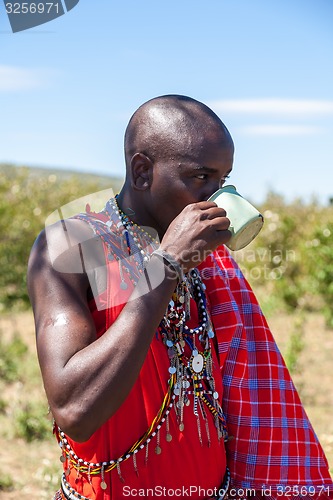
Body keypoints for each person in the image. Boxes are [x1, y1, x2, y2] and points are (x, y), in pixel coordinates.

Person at [28, 95, 333, 500]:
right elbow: (74, 410)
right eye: (200, 178)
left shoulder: (208, 260)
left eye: (222, 181)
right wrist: (167, 264)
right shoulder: (72, 244)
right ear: (142, 172)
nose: (215, 199)